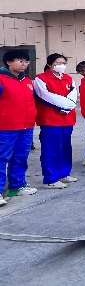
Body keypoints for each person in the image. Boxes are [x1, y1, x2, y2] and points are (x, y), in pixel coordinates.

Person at [33, 53, 78, 189]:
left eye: (64, 63)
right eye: (58, 63)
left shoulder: (68, 78)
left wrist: (68, 107)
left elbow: (73, 94)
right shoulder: (41, 79)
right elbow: (45, 96)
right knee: (51, 148)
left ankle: (64, 173)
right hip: (50, 119)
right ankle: (50, 178)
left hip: (67, 117)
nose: (61, 66)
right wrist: (63, 105)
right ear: (49, 64)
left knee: (65, 147)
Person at [0, 50, 37, 205]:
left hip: (26, 127)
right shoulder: (2, 79)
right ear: (9, 62)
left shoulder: (26, 81)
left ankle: (16, 186)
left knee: (20, 157)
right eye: (20, 61)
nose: (24, 64)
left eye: (26, 61)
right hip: (6, 127)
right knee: (2, 158)